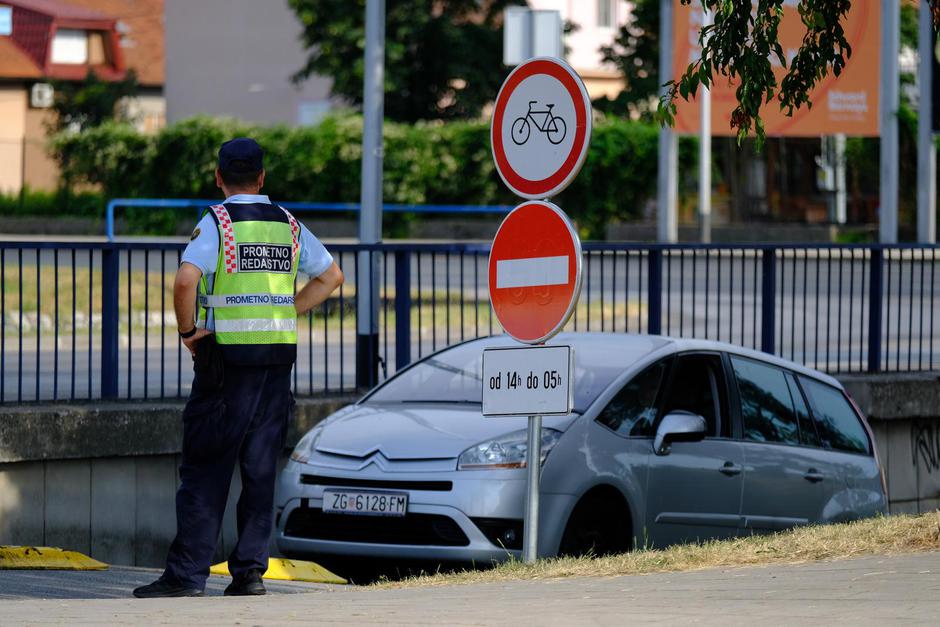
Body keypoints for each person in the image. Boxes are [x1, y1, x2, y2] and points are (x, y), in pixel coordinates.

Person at [134, 138, 344, 598]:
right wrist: (288, 309)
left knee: (206, 469)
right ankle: (249, 574)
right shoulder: (288, 224)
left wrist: (188, 332)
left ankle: (187, 577)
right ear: (263, 178)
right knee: (259, 469)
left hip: (226, 361)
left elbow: (186, 278)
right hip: (276, 360)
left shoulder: (219, 221)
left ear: (219, 177)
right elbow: (332, 277)